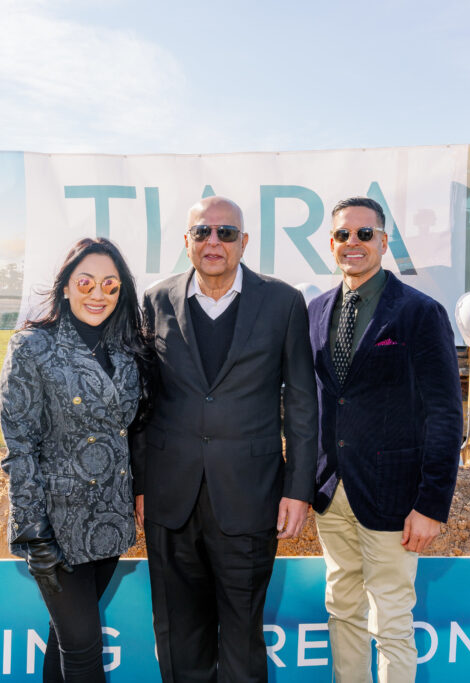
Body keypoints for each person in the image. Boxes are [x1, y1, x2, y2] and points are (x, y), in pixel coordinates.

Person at [131, 196, 317, 682]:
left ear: (244, 242)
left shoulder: (282, 303)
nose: (214, 241)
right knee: (178, 638)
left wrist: (298, 489)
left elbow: (301, 401)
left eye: (226, 233)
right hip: (170, 500)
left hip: (250, 497)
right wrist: (141, 484)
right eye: (202, 232)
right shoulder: (155, 301)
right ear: (187, 242)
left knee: (242, 642)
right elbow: (142, 404)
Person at [307, 197, 462, 682]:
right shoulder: (314, 312)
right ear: (331, 244)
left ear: (383, 241)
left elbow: (444, 413)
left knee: (392, 621)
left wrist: (433, 503)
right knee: (342, 610)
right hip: (332, 493)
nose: (352, 243)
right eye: (342, 235)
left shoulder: (419, 312)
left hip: (395, 498)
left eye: (364, 234)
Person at [0, 237, 152, 683]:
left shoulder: (128, 349)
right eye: (86, 282)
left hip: (108, 522)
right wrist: (34, 532)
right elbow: (19, 446)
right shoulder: (32, 347)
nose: (98, 294)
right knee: (84, 650)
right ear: (65, 285)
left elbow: (134, 428)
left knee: (65, 642)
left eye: (110, 285)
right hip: (57, 528)